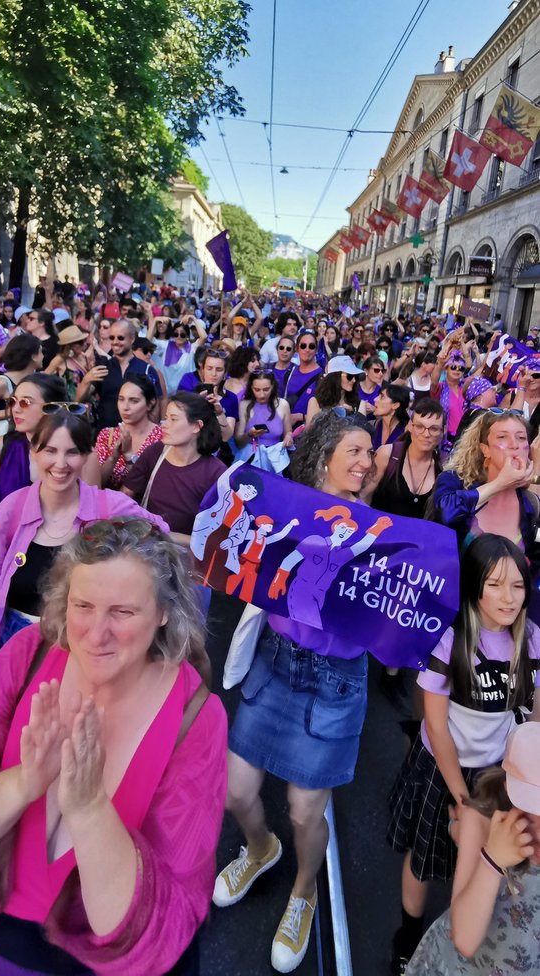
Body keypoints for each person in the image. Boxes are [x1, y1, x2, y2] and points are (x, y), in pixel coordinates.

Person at [0, 518, 227, 974]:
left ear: (163, 613)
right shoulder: (26, 653)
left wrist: (91, 808)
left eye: (123, 612)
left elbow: (165, 929)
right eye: (83, 605)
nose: (96, 634)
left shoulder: (197, 717)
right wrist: (22, 783)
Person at [213, 413, 387, 973]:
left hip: (335, 682)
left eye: (370, 453)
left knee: (306, 811)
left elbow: (388, 618)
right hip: (275, 664)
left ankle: (305, 891)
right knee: (237, 792)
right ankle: (261, 848)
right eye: (355, 451)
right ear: (326, 454)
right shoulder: (286, 506)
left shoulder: (380, 532)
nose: (365, 462)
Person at [387, 534, 540, 973]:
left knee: (478, 859)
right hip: (443, 769)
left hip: (497, 771)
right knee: (422, 858)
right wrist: (458, 793)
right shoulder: (449, 640)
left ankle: (464, 910)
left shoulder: (530, 640)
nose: (509, 598)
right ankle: (407, 937)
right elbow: (436, 724)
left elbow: (530, 716)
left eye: (517, 585)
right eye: (495, 585)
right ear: (473, 585)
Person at [0, 410, 168, 656]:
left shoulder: (108, 506)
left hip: (78, 646)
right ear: (33, 452)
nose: (60, 463)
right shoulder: (12, 508)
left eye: (72, 452)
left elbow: (159, 532)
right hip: (12, 641)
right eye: (50, 450)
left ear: (85, 457)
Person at [406, 721, 540, 974]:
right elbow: (464, 939)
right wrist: (493, 860)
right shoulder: (479, 822)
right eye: (533, 809)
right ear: (508, 789)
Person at [432, 411, 540, 619]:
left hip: (505, 625)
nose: (514, 444)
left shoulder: (531, 505)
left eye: (521, 437)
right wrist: (500, 483)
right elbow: (446, 513)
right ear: (485, 449)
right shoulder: (455, 481)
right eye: (502, 437)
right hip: (453, 618)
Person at [123, 393, 226, 546]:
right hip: (147, 550)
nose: (164, 424)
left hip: (185, 560)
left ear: (196, 426)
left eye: (174, 419)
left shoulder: (216, 473)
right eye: (165, 418)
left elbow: (215, 539)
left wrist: (164, 535)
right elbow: (125, 498)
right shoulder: (156, 452)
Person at [0, 374, 67, 513]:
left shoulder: (79, 454)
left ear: (51, 408)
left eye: (25, 402)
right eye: (12, 401)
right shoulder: (1, 447)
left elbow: (90, 519)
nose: (15, 409)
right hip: (6, 533)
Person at [76, 319, 164, 430]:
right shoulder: (103, 367)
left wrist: (148, 436)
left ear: (132, 339)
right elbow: (78, 401)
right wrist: (86, 380)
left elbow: (155, 404)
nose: (115, 342)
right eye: (112, 337)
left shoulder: (146, 369)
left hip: (136, 437)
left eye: (120, 338)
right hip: (106, 436)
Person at [364, 398, 445, 518]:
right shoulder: (387, 454)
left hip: (416, 536)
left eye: (434, 429)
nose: (426, 434)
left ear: (442, 432)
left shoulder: (443, 466)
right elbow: (364, 495)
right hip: (379, 532)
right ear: (410, 427)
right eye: (419, 426)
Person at [91, 374, 163, 489]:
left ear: (150, 404)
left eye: (134, 401)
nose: (125, 407)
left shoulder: (162, 438)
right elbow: (95, 486)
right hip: (108, 505)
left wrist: (129, 456)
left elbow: (154, 487)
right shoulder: (107, 435)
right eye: (121, 399)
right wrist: (113, 457)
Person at [0, 335, 43, 461]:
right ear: (33, 356)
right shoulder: (2, 383)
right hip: (1, 449)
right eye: (40, 351)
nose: (43, 356)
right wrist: (8, 412)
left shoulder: (36, 379)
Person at [234, 370, 293, 451]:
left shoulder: (283, 404)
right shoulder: (244, 405)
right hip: (250, 456)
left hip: (275, 455)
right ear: (251, 388)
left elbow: (288, 431)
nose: (262, 395)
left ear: (272, 386)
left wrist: (288, 437)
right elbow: (238, 442)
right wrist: (249, 435)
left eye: (266, 389)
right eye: (257, 390)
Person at [151, 315, 207, 396]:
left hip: (187, 393)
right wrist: (155, 320)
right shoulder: (165, 346)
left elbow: (204, 337)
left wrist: (193, 319)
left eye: (183, 334)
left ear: (187, 336)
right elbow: (148, 339)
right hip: (167, 395)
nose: (179, 336)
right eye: (176, 334)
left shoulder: (192, 348)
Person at [284, 331, 322, 427]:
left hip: (310, 432)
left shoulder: (322, 376)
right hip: (288, 432)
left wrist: (301, 417)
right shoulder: (289, 373)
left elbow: (325, 411)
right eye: (303, 346)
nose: (307, 349)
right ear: (297, 348)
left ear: (316, 350)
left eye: (311, 346)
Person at [44, 324, 91, 399]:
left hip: (90, 402)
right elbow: (44, 377)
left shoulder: (84, 356)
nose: (84, 344)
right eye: (80, 342)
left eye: (84, 340)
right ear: (69, 345)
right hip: (72, 406)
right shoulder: (60, 359)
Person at [371, 382, 410, 449]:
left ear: (395, 405)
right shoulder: (373, 426)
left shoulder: (407, 432)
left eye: (382, 397)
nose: (375, 399)